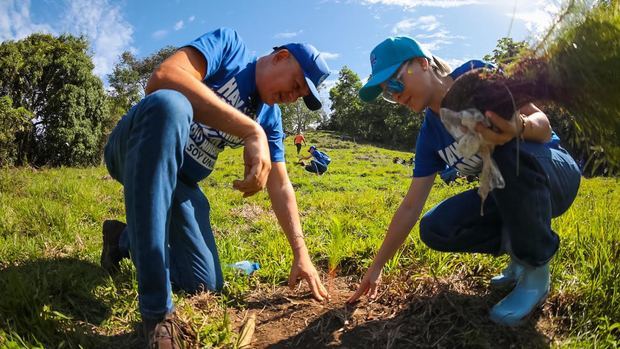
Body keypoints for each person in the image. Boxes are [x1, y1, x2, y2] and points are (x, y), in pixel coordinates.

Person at [101, 27, 331, 347]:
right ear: (281, 57)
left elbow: (280, 185)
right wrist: (250, 131)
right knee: (171, 104)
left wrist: (301, 253)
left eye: (301, 96)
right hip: (134, 149)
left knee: (205, 284)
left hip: (182, 184)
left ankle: (122, 238)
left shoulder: (270, 118)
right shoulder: (230, 47)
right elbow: (162, 78)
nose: (293, 97)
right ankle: (157, 313)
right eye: (296, 85)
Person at [347, 36, 581, 326]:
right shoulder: (430, 136)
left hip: (553, 172)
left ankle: (535, 274)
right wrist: (376, 267)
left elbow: (543, 127)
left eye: (395, 83)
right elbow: (410, 207)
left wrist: (515, 128)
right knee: (436, 228)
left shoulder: (474, 76)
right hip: (508, 193)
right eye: (387, 93)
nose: (395, 96)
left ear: (422, 63)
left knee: (499, 144)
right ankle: (519, 254)